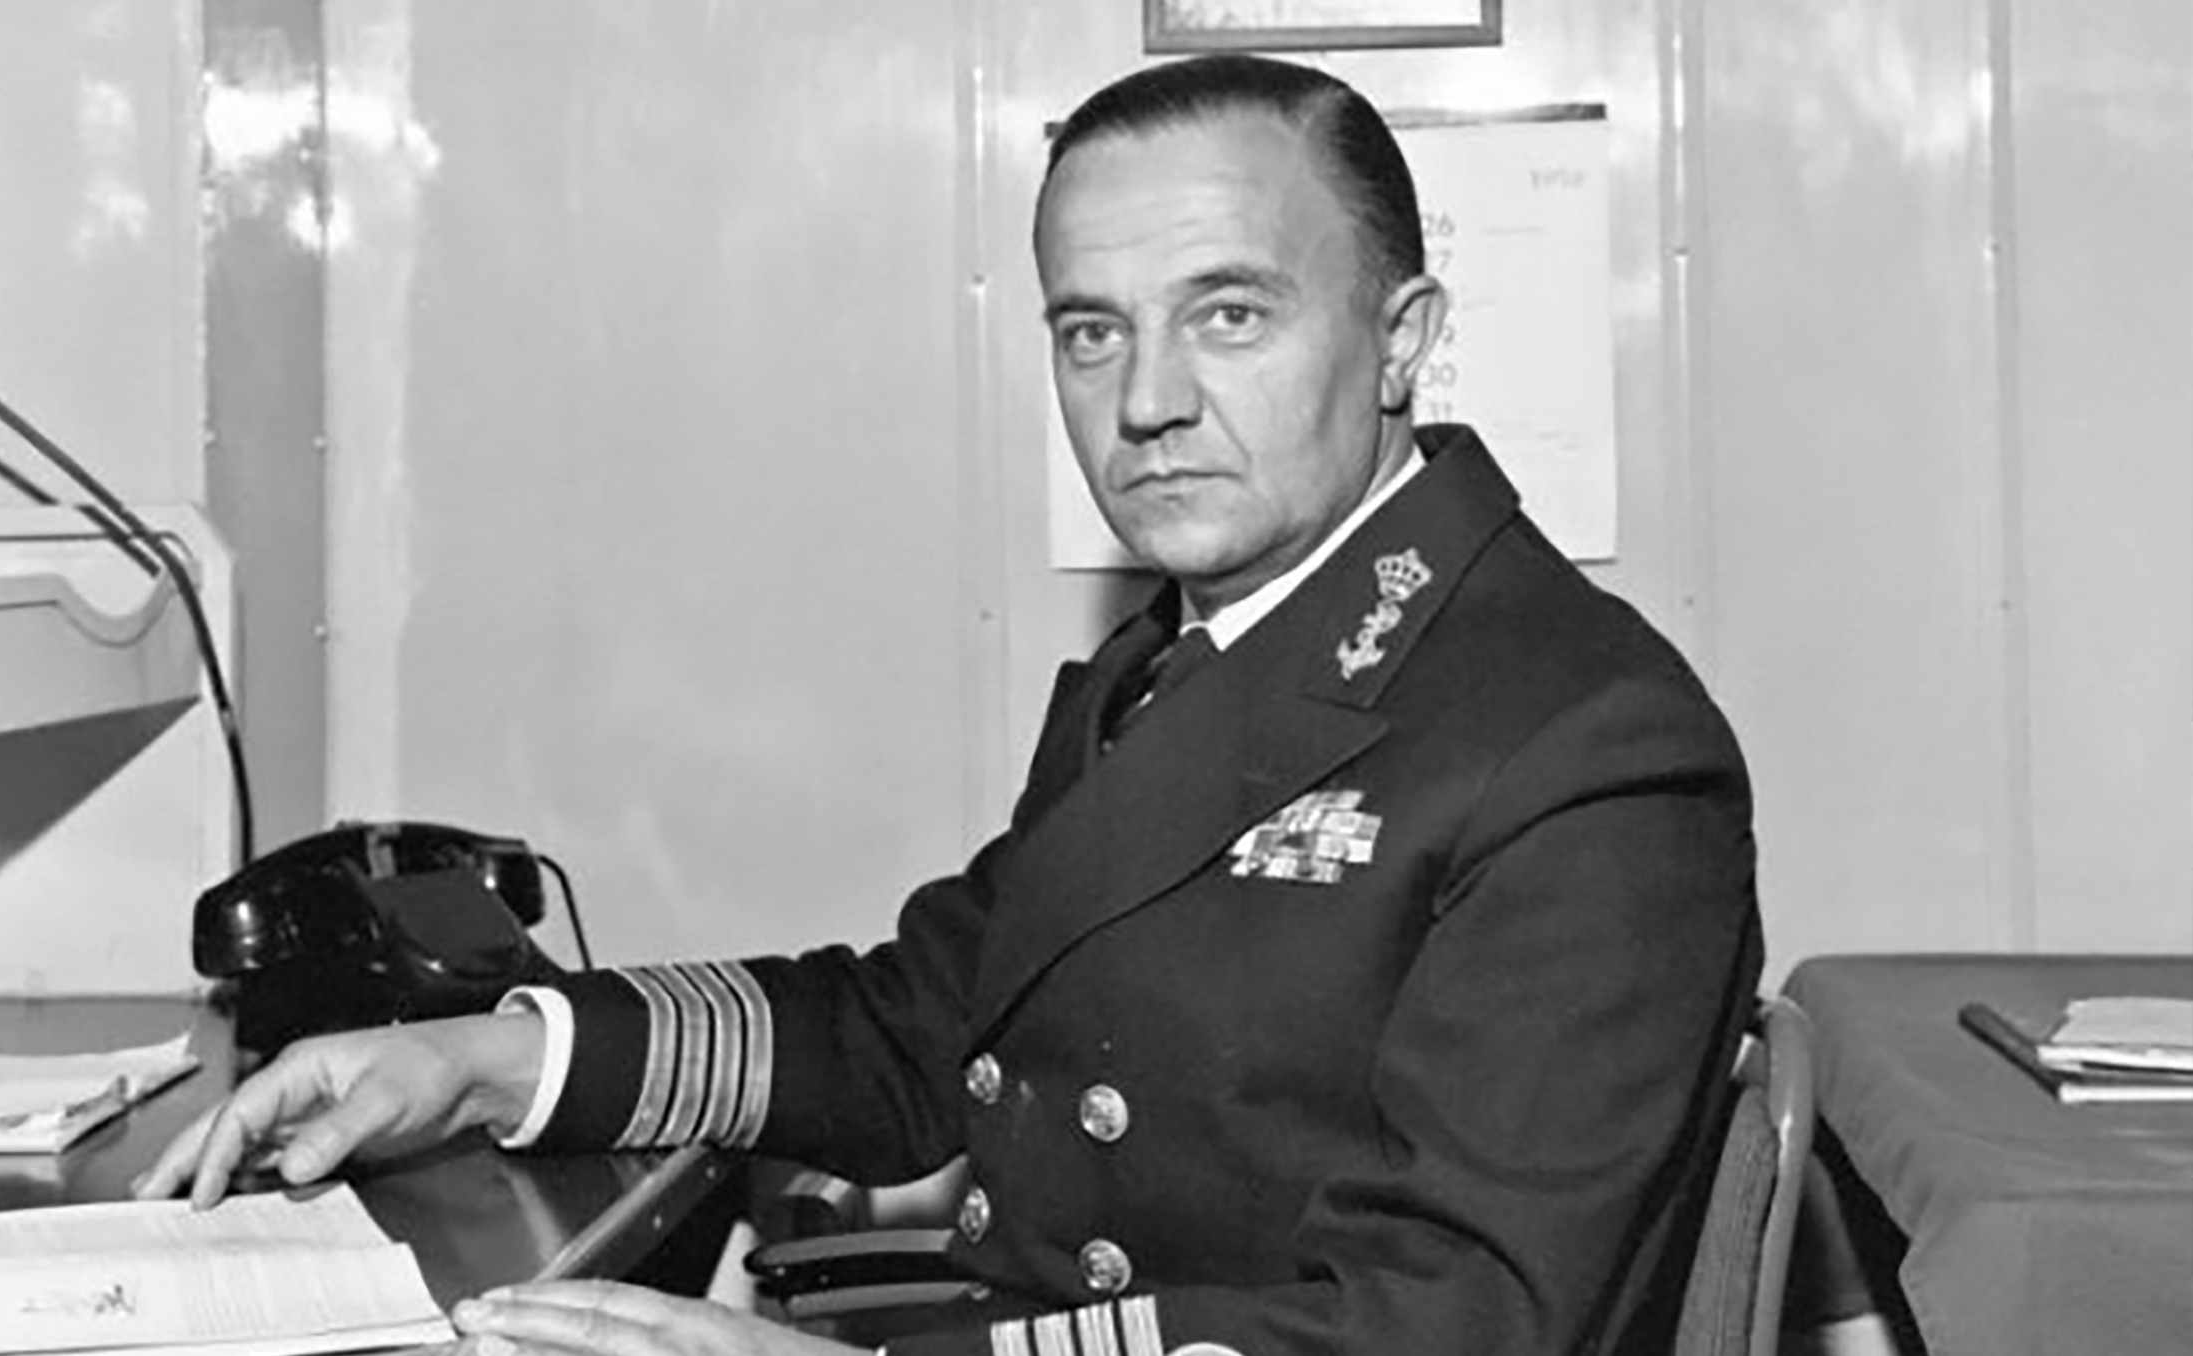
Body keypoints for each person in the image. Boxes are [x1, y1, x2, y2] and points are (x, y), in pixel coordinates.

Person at [137, 53, 1762, 1356]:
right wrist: (489, 1058)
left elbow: (1457, 1326)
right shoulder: (1193, 655)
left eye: (1231, 314)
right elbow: (926, 1025)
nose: (1146, 401)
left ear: (1403, 342)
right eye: (1091, 332)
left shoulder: (1581, 743)